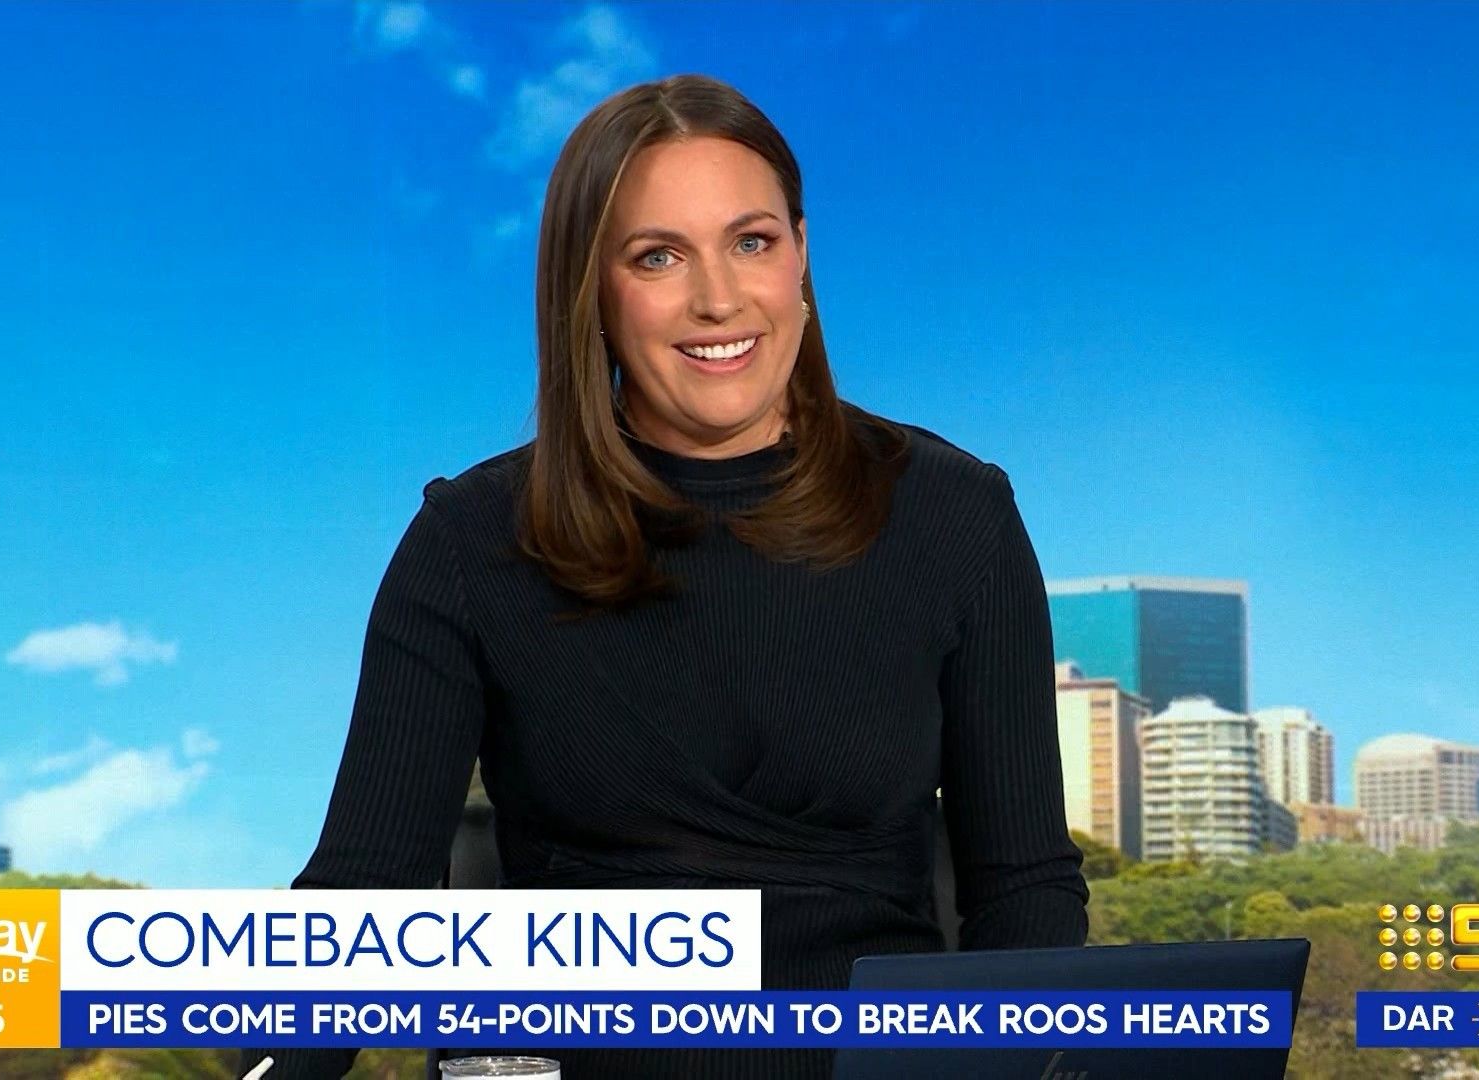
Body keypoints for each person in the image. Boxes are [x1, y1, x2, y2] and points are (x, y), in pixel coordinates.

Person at [240, 72, 1087, 1080]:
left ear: (803, 257)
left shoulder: (956, 516)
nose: (718, 298)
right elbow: (360, 903)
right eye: (658, 257)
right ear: (590, 291)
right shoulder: (468, 541)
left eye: (752, 242)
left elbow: (1026, 891)